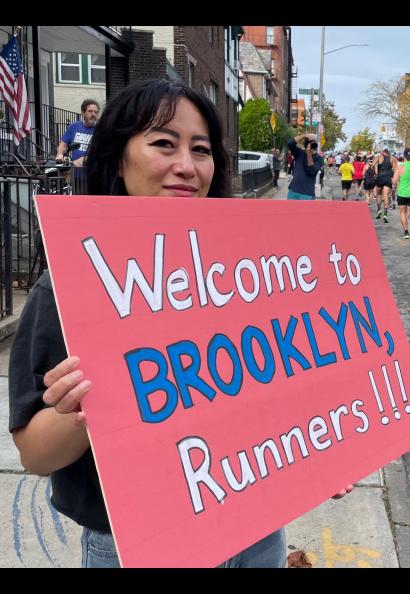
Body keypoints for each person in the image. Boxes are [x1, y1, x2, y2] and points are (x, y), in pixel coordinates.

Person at [9, 79, 353, 569]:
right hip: (140, 544)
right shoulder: (66, 286)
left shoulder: (250, 273)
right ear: (117, 157)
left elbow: (278, 383)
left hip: (256, 531)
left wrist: (324, 453)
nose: (187, 167)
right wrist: (84, 408)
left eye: (201, 150)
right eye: (163, 144)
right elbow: (35, 456)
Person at [56, 99, 100, 165]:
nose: (93, 114)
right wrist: (60, 154)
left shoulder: (100, 130)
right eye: (90, 111)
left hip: (91, 172)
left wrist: (83, 160)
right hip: (75, 171)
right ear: (82, 112)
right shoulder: (74, 126)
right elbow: (63, 144)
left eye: (95, 112)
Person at [287, 133, 324, 200]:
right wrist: (304, 135)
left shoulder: (319, 158)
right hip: (293, 191)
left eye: (313, 142)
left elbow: (312, 171)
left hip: (307, 194)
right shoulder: (299, 153)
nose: (311, 145)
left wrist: (309, 154)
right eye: (309, 142)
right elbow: (290, 143)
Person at [374, 148, 398, 223]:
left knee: (378, 194)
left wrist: (376, 172)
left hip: (380, 177)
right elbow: (395, 169)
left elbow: (373, 164)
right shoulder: (393, 158)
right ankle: (385, 214)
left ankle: (379, 210)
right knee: (386, 196)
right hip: (388, 178)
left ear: (383, 152)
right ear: (388, 153)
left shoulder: (378, 157)